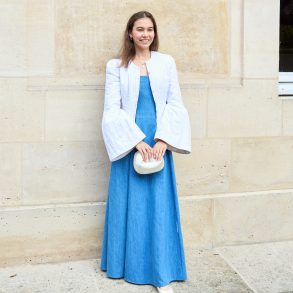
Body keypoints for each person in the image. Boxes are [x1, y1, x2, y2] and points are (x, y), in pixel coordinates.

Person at [100, 10, 191, 293]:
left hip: (159, 140)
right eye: (139, 29)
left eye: (149, 29)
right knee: (132, 207)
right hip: (130, 141)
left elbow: (175, 104)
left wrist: (163, 139)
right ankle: (122, 265)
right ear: (130, 33)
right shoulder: (116, 66)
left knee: (159, 207)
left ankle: (162, 273)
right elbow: (111, 109)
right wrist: (135, 140)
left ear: (155, 33)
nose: (145, 34)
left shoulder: (166, 63)